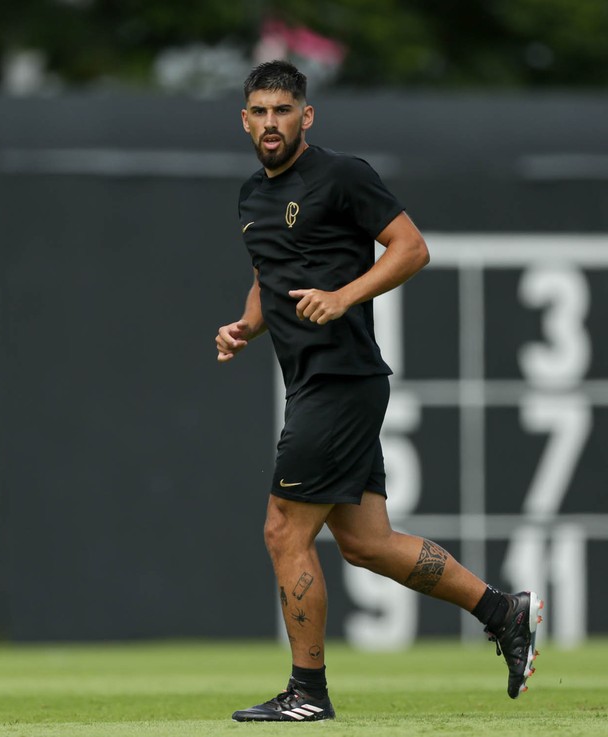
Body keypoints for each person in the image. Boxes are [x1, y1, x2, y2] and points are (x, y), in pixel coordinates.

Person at [215, 59, 542, 723]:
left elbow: (411, 247)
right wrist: (247, 326)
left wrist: (343, 297)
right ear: (244, 119)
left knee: (283, 530)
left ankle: (308, 689)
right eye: (260, 111)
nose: (271, 122)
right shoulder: (253, 195)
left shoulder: (341, 175)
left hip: (340, 379)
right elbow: (268, 272)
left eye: (284, 110)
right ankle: (505, 610)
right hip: (319, 382)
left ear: (307, 116)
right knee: (366, 542)